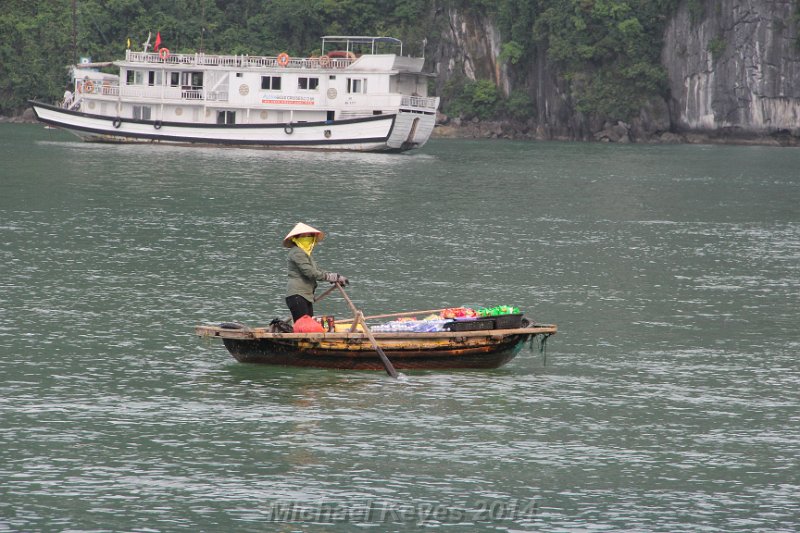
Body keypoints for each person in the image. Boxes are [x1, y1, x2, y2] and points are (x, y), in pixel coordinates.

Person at [283, 222, 349, 321]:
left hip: (306, 296)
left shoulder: (306, 254)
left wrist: (336, 276)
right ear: (296, 238)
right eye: (304, 236)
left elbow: (317, 270)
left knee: (309, 326)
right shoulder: (297, 252)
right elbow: (310, 272)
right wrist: (329, 277)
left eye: (309, 236)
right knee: (304, 328)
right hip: (297, 295)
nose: (307, 238)